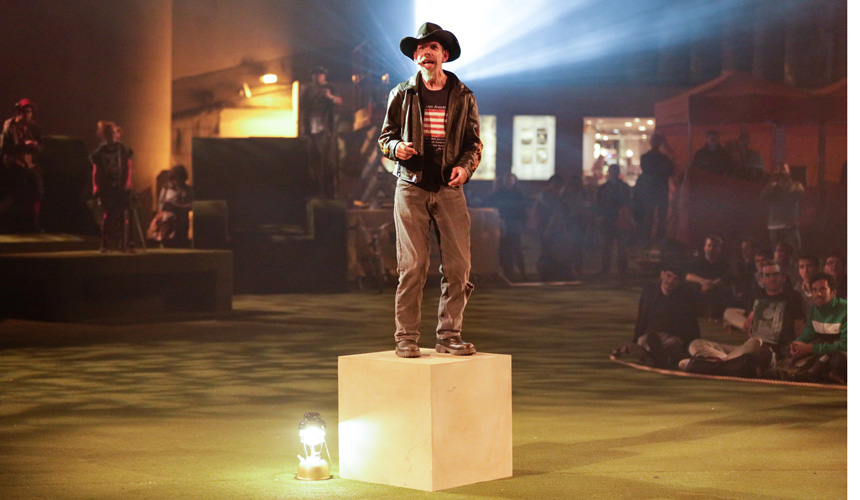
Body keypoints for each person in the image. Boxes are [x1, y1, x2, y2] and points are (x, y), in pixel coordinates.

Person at [378, 22, 482, 358]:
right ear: (415, 58)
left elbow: (473, 143)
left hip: (449, 189)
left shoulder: (463, 96)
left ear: (444, 55)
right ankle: (406, 337)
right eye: (420, 49)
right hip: (411, 187)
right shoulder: (402, 93)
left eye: (432, 48)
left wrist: (465, 168)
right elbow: (385, 138)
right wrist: (397, 148)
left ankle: (449, 335)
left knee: (458, 267)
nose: (425, 53)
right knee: (413, 266)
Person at [683, 260, 806, 377]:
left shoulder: (793, 297)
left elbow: (799, 328)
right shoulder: (757, 296)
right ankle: (727, 364)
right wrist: (746, 322)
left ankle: (710, 364)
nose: (772, 278)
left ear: (783, 277)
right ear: (762, 279)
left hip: (770, 352)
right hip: (745, 350)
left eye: (775, 274)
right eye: (767, 275)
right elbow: (732, 313)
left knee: (756, 343)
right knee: (696, 344)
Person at [613, 261, 700, 368]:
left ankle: (648, 357)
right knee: (643, 341)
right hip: (650, 335)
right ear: (662, 274)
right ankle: (659, 358)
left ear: (679, 282)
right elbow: (642, 317)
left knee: (672, 345)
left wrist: (692, 344)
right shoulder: (649, 291)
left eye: (675, 279)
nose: (670, 281)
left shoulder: (684, 296)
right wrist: (635, 339)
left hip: (672, 337)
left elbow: (691, 322)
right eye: (668, 276)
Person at [789, 272, 847, 384]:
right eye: (814, 290)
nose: (818, 294)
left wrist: (811, 348)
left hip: (841, 355)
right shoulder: (814, 310)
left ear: (833, 292)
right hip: (825, 353)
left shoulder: (846, 309)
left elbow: (846, 345)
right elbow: (807, 334)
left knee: (838, 361)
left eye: (823, 289)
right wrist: (797, 344)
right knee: (795, 360)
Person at [1, 98, 43, 232]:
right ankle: (15, 224)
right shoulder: (10, 125)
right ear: (18, 112)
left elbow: (41, 145)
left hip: (29, 164)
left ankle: (33, 223)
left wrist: (35, 146)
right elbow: (5, 148)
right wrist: (23, 146)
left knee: (37, 191)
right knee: (18, 194)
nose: (28, 115)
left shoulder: (33, 127)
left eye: (29, 112)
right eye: (25, 112)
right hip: (14, 163)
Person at [90, 121, 133, 252]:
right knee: (107, 215)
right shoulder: (100, 151)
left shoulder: (123, 149)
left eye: (113, 133)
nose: (111, 136)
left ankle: (124, 243)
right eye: (108, 134)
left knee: (123, 215)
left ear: (117, 133)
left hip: (120, 186)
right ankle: (104, 244)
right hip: (106, 187)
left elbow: (128, 168)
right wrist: (96, 188)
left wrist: (127, 184)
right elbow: (96, 171)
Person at [302, 66, 342, 198]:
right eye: (315, 74)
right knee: (314, 162)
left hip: (325, 130)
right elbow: (303, 108)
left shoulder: (329, 88)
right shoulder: (308, 91)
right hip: (312, 130)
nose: (317, 77)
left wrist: (330, 97)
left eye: (319, 74)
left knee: (328, 162)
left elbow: (339, 101)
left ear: (324, 76)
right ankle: (317, 192)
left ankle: (328, 192)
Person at [484, 173, 529, 281]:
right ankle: (508, 274)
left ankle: (522, 273)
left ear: (514, 181)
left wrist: (521, 224)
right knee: (505, 250)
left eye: (510, 180)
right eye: (507, 180)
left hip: (514, 225)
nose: (508, 182)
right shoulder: (498, 194)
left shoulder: (518, 194)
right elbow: (489, 205)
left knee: (516, 250)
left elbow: (523, 210)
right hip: (502, 225)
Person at [633, 133, 674, 240]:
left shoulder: (645, 158)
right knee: (659, 217)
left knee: (650, 216)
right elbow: (670, 171)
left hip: (651, 190)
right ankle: (658, 238)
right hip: (660, 189)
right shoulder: (664, 159)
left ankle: (648, 238)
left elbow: (649, 171)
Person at [685, 235, 734, 320]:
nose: (711, 249)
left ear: (719, 249)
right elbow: (687, 275)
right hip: (698, 296)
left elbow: (727, 277)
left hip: (718, 298)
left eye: (714, 246)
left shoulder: (725, 265)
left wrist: (711, 285)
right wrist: (702, 281)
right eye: (709, 245)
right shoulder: (696, 263)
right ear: (704, 247)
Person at [596, 164, 632, 275]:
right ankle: (611, 268)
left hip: (616, 218)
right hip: (610, 218)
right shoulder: (618, 187)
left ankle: (618, 268)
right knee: (610, 244)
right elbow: (599, 203)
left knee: (618, 245)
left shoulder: (606, 187)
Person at [761, 165, 803, 254]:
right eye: (778, 170)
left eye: (783, 169)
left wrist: (787, 181)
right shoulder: (773, 188)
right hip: (774, 226)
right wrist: (772, 183)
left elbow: (799, 193)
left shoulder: (796, 185)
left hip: (790, 226)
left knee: (795, 251)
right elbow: (763, 198)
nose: (781, 172)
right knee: (777, 253)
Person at [151, 164, 193, 248]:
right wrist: (160, 212)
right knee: (166, 221)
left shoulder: (187, 189)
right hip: (168, 215)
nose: (177, 181)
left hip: (181, 215)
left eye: (179, 178)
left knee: (182, 223)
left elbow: (190, 203)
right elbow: (161, 202)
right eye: (175, 178)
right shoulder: (167, 187)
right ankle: (165, 242)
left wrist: (181, 206)